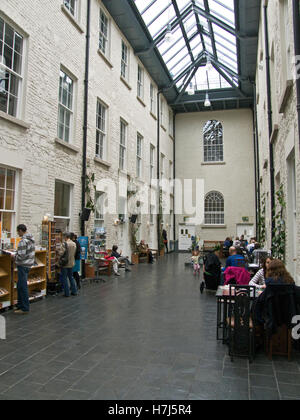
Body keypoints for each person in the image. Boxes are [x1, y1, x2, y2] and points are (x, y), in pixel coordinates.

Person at [14, 224, 35, 314]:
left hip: (23, 265)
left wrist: (14, 256)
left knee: (23, 287)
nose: (17, 233)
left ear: (20, 230)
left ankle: (24, 308)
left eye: (17, 231)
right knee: (20, 286)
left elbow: (21, 256)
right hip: (28, 264)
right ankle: (20, 305)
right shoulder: (31, 240)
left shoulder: (23, 241)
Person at [59, 232, 78, 297]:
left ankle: (67, 293)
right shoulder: (74, 244)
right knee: (71, 277)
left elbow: (61, 253)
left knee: (64, 278)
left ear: (65, 237)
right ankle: (74, 291)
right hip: (71, 262)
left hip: (65, 263)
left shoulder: (64, 244)